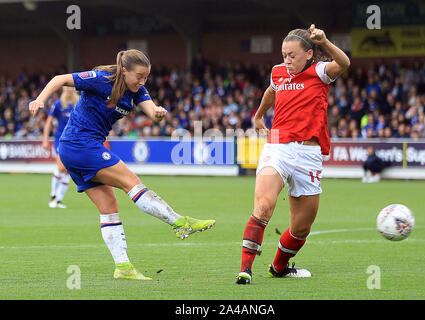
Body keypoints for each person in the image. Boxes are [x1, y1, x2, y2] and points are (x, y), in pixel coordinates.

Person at [29, 49, 215, 280]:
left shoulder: (138, 90)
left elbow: (151, 112)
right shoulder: (100, 79)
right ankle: (179, 221)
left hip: (76, 149)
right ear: (124, 71)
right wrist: (40, 99)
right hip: (81, 145)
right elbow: (59, 79)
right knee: (132, 183)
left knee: (109, 207)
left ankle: (123, 267)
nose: (142, 81)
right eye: (139, 76)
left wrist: (157, 113)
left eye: (146, 77)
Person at [235, 25, 350, 284]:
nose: (286, 60)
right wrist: (259, 114)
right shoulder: (278, 72)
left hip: (309, 153)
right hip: (277, 146)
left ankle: (279, 267)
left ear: (309, 54)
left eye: (292, 55)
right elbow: (272, 90)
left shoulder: (320, 71)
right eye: (284, 54)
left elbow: (344, 62)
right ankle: (245, 269)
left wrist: (326, 42)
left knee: (301, 228)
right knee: (263, 206)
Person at [42, 86, 79, 208]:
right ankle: (53, 195)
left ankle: (58, 199)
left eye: (71, 87)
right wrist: (45, 139)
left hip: (74, 140)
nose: (69, 89)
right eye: (67, 87)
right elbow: (49, 122)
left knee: (68, 170)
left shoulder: (79, 102)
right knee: (62, 167)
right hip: (60, 139)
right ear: (63, 88)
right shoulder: (58, 104)